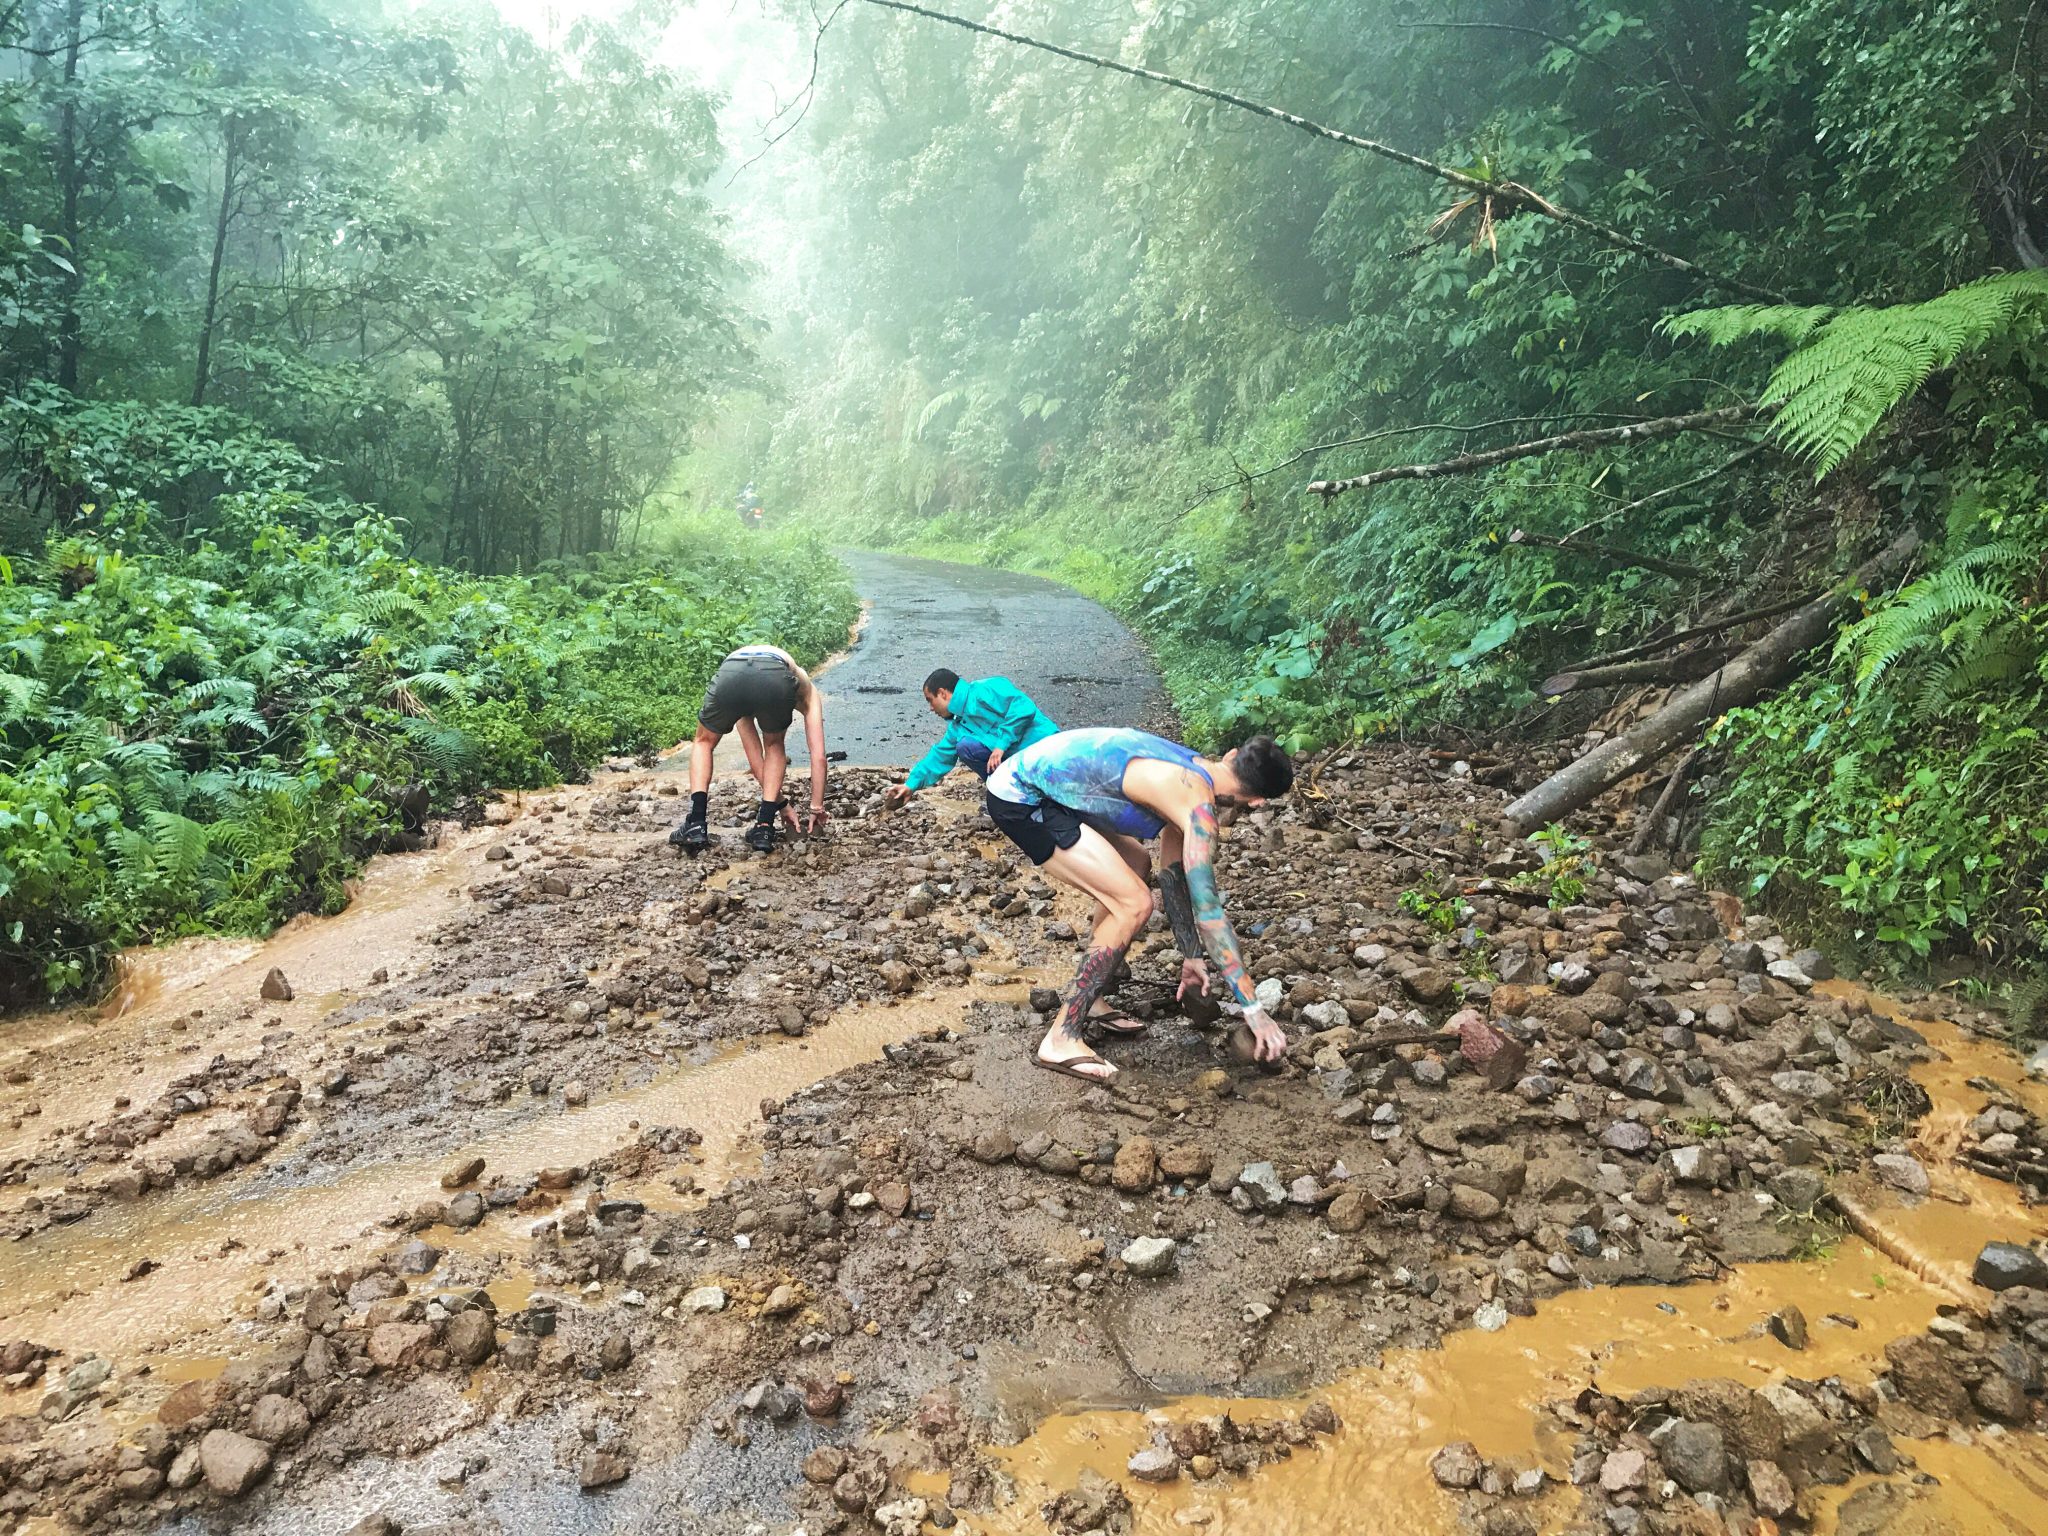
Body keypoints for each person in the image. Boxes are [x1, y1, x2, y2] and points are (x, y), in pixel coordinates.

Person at [983, 726, 1294, 1085]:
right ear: (1258, 801)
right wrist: (1253, 1009)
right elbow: (1211, 916)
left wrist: (1191, 956)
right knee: (1133, 904)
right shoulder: (1198, 808)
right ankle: (1060, 1039)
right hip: (1022, 797)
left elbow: (1172, 876)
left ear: (1231, 756)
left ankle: (1091, 999)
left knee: (1136, 866)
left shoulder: (1197, 771)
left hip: (1050, 791)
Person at [669, 643, 827, 854]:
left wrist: (784, 805)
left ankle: (696, 823)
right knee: (774, 744)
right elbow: (819, 756)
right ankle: (764, 827)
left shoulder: (752, 681)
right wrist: (816, 808)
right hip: (774, 675)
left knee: (704, 741)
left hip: (732, 672)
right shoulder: (807, 689)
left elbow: (755, 760)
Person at [882, 669, 1059, 808]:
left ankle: (1024, 795)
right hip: (1024, 764)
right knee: (966, 746)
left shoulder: (987, 689)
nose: (930, 708)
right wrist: (910, 785)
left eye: (930, 700)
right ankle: (1013, 797)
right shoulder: (958, 725)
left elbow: (1024, 707)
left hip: (1049, 749)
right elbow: (939, 756)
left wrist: (1001, 744)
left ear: (943, 693)